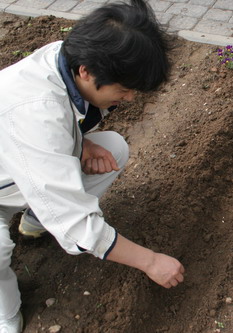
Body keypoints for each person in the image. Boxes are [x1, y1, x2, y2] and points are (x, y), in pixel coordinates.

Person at [0, 1, 184, 331]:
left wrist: (81, 141)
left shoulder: (67, 59)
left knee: (113, 149)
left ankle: (36, 217)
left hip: (15, 169)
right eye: (124, 90)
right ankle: (6, 314)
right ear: (86, 71)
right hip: (6, 184)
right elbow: (74, 221)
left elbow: (52, 134)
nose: (129, 99)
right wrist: (151, 261)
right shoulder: (36, 114)